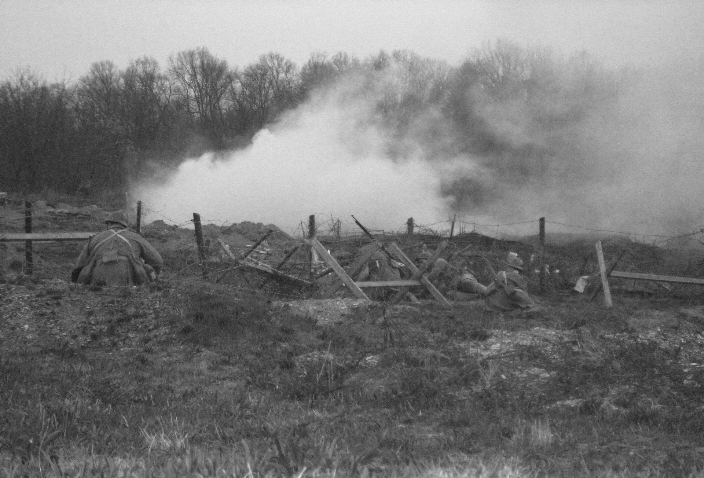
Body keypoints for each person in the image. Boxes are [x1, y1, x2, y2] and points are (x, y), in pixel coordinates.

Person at [72, 211, 163, 286]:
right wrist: (151, 276)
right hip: (128, 282)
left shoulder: (96, 238)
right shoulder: (135, 237)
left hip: (97, 282)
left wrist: (77, 282)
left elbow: (78, 266)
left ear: (109, 224)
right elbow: (157, 261)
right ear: (124, 225)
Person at [457, 252, 536, 312]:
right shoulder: (520, 279)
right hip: (508, 304)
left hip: (494, 303)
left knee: (467, 287)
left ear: (509, 266)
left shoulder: (502, 274)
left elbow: (488, 291)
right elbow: (525, 296)